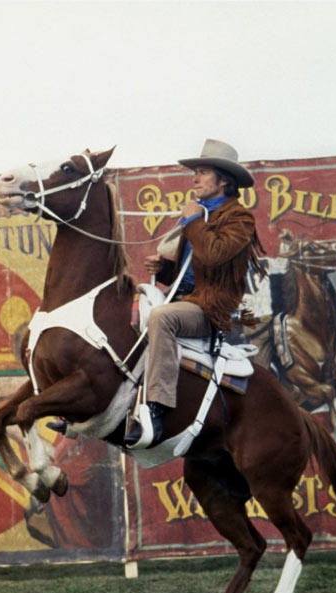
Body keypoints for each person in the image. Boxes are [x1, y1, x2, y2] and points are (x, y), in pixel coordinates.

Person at [124, 139, 266, 447]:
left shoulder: (240, 219)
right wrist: (163, 270)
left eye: (202, 173)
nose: (194, 179)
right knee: (128, 309)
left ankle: (156, 408)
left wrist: (191, 220)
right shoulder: (200, 214)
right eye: (196, 173)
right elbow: (193, 274)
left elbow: (214, 255)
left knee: (162, 318)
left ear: (223, 180)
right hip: (188, 300)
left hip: (211, 310)